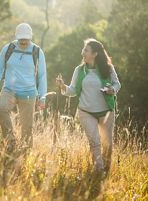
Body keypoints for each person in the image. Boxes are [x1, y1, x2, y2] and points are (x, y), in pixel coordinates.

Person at [56, 38, 121, 174]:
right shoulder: (79, 70)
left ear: (95, 54)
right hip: (86, 111)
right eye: (83, 49)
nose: (82, 52)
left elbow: (117, 84)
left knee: (107, 145)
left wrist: (112, 90)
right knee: (95, 142)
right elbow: (73, 91)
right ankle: (99, 171)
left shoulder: (107, 68)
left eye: (86, 50)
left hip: (106, 112)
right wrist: (63, 86)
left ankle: (106, 172)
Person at [0, 23, 47, 151]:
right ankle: (11, 142)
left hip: (28, 93)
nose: (23, 42)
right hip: (9, 90)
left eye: (26, 39)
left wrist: (42, 97)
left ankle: (25, 154)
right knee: (1, 109)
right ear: (17, 37)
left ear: (30, 38)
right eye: (21, 39)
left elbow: (42, 76)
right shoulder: (8, 48)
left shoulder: (37, 51)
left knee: (27, 128)